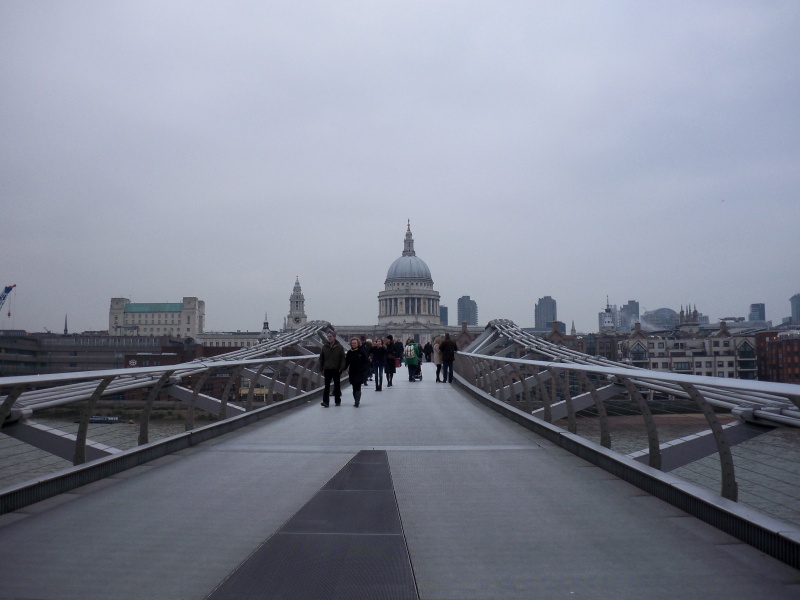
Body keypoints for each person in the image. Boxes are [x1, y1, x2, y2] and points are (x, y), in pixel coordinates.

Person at [319, 331, 346, 406]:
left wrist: (341, 368)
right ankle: (326, 402)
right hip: (327, 369)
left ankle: (337, 401)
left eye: (330, 336)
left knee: (337, 386)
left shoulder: (340, 347)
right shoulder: (324, 346)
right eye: (328, 336)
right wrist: (321, 368)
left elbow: (343, 358)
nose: (329, 338)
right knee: (326, 386)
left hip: (336, 369)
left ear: (334, 337)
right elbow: (321, 358)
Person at [346, 337, 370, 407]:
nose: (353, 344)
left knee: (358, 386)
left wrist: (364, 368)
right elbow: (346, 362)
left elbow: (366, 361)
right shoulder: (349, 352)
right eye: (352, 343)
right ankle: (356, 399)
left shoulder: (361, 352)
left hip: (360, 371)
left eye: (355, 343)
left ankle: (357, 401)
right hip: (352, 372)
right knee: (354, 386)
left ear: (358, 344)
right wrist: (341, 369)